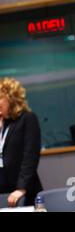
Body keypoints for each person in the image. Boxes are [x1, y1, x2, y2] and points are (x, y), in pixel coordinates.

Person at [0, 77, 43, 207]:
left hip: (23, 190)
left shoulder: (27, 119)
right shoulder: (2, 123)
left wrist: (21, 188)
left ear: (11, 98)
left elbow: (30, 155)